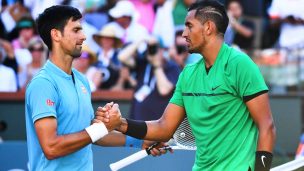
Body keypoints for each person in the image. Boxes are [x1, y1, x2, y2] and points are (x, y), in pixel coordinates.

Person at [98, 1, 276, 171]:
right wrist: (119, 124)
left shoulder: (240, 64)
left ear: (208, 28)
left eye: (189, 26)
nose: (184, 34)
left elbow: (266, 126)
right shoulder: (188, 74)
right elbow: (164, 128)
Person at [25, 5, 164, 171]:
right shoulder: (43, 84)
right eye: (76, 30)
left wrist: (140, 142)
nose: (83, 36)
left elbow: (95, 136)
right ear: (56, 35)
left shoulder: (82, 80)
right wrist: (103, 127)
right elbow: (51, 147)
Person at [118, 36, 181, 120]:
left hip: (157, 125)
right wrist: (141, 40)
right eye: (149, 49)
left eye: (155, 49)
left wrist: (156, 65)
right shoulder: (144, 63)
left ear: (162, 50)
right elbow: (122, 57)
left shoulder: (171, 66)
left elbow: (164, 90)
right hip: (136, 122)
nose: (152, 52)